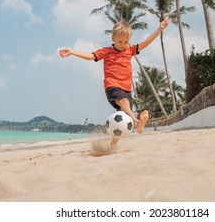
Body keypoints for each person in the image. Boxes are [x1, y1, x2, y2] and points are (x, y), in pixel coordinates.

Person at [59, 18, 170, 148]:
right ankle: (136, 121)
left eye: (126, 42)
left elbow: (147, 42)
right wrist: (72, 52)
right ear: (113, 38)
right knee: (124, 102)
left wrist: (160, 28)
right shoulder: (106, 52)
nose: (123, 44)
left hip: (127, 88)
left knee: (121, 120)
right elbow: (90, 56)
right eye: (120, 41)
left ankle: (113, 144)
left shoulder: (130, 50)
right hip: (112, 85)